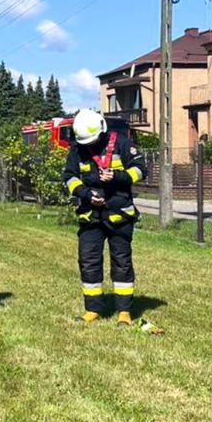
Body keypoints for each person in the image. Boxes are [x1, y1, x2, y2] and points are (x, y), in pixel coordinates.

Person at [62, 109, 147, 325]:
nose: (89, 146)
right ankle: (93, 309)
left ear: (102, 131)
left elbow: (141, 170)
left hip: (120, 215)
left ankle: (124, 312)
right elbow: (69, 177)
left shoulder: (123, 144)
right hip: (91, 216)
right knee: (88, 261)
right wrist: (86, 194)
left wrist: (118, 176)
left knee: (122, 262)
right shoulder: (77, 149)